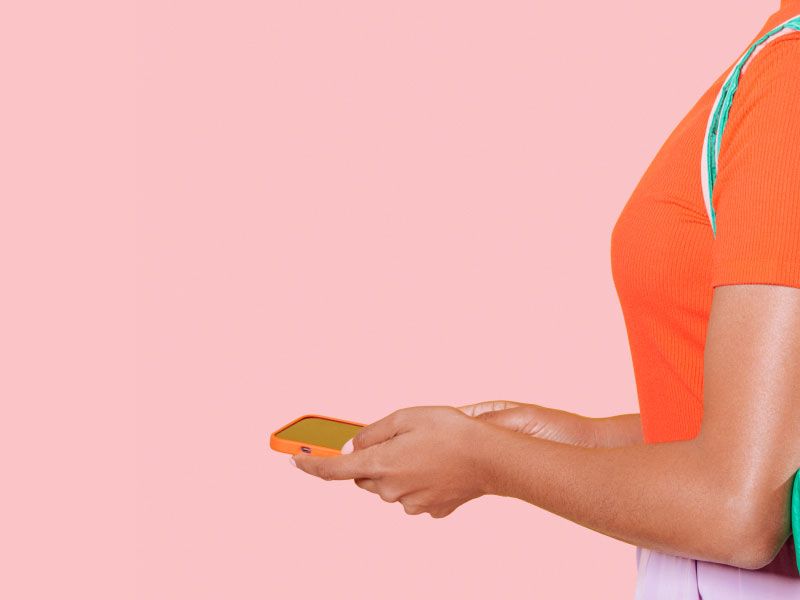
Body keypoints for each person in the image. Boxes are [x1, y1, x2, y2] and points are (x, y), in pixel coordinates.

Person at [290, 1, 800, 596]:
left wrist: (492, 463)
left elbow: (737, 510)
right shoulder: (777, 56)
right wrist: (581, 439)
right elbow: (769, 438)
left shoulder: (787, 85)